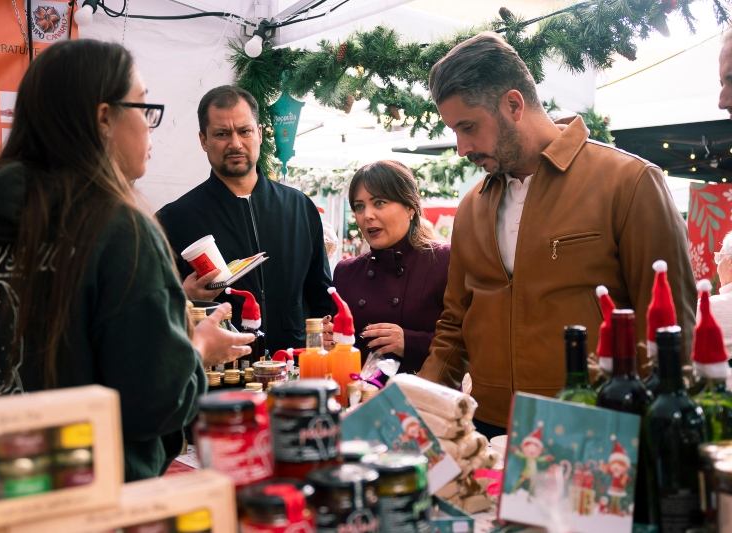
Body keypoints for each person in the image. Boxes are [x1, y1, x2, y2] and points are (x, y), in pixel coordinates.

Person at [0, 40, 254, 481]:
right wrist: (198, 349)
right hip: (83, 496)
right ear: (105, 117)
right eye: (143, 107)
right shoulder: (121, 228)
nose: (150, 126)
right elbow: (156, 401)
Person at [417, 32, 696, 439]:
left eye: (468, 127)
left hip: (594, 428)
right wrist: (417, 402)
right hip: (489, 431)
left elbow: (670, 326)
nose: (461, 147)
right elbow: (456, 324)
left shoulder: (628, 182)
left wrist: (657, 439)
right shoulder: (472, 207)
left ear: (513, 104)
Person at [156, 86, 332, 355]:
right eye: (222, 134)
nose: (235, 143)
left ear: (259, 133)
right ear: (203, 140)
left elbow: (322, 295)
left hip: (295, 372)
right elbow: (155, 311)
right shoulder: (173, 219)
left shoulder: (299, 207)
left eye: (244, 131)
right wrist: (186, 297)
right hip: (219, 378)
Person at [326, 161, 449, 374]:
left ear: (410, 206)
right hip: (359, 399)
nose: (367, 215)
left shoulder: (443, 260)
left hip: (422, 399)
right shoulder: (346, 272)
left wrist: (409, 342)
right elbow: (338, 346)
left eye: (379, 202)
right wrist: (327, 339)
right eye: (359, 206)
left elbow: (469, 339)